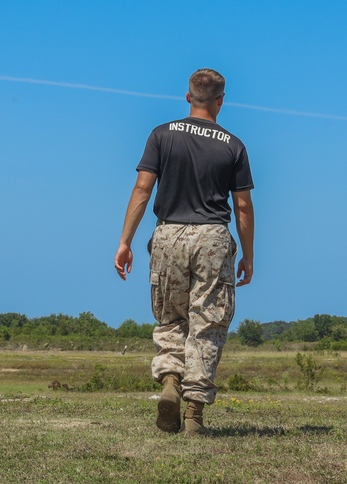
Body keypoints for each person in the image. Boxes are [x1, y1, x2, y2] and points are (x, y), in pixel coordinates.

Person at [114, 68, 254, 435]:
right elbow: (242, 207)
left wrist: (125, 241)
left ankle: (170, 383)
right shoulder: (233, 145)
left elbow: (143, 189)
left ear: (188, 96)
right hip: (212, 237)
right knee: (207, 324)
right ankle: (194, 414)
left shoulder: (161, 135)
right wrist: (248, 255)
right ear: (221, 101)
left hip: (168, 234)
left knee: (171, 318)